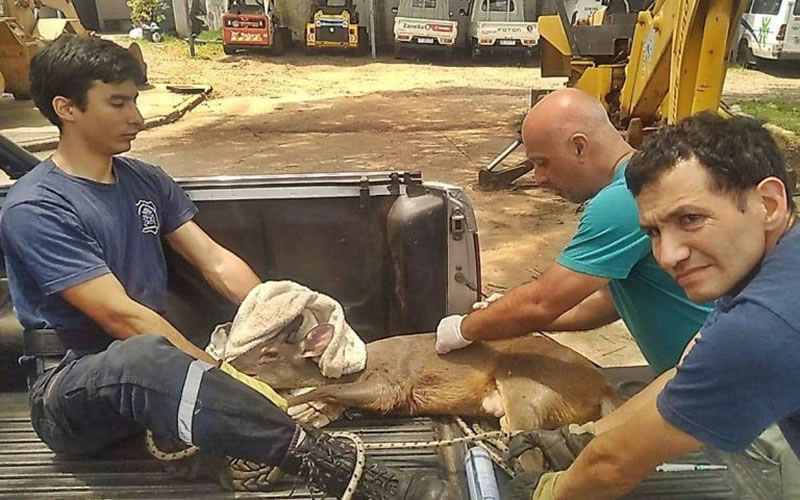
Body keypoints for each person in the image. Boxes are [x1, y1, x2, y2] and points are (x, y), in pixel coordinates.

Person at [0, 34, 455, 500]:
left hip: (158, 373)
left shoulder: (145, 180)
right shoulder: (37, 206)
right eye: (117, 103)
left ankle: (213, 443)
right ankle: (337, 467)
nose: (136, 117)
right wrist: (223, 378)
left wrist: (281, 317)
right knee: (144, 358)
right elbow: (124, 318)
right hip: (73, 394)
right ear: (66, 108)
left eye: (135, 100)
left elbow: (215, 261)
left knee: (218, 360)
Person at [511, 112, 800, 499]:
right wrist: (589, 435)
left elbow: (615, 465)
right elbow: (685, 374)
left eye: (691, 218)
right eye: (654, 232)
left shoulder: (763, 324)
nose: (669, 256)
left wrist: (545, 491)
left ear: (768, 203)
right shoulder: (770, 264)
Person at [436, 88, 712, 375]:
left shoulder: (624, 198)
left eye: (543, 163)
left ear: (579, 147)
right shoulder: (644, 181)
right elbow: (607, 302)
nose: (539, 178)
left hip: (718, 387)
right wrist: (506, 317)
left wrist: (462, 328)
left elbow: (540, 302)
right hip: (695, 376)